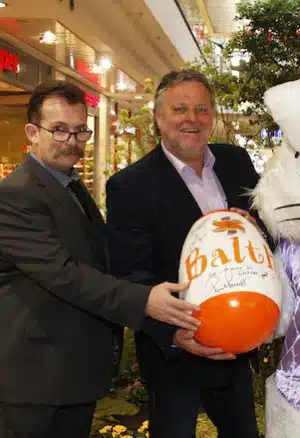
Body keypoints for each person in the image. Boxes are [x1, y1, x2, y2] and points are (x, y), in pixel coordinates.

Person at [0, 81, 201, 438]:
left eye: (80, 131)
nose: (71, 141)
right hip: (32, 382)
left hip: (71, 375)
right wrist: (145, 301)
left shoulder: (70, 185)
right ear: (32, 132)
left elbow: (101, 257)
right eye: (58, 130)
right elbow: (64, 274)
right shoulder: (15, 196)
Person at [106, 69, 262, 438]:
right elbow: (131, 273)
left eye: (201, 109)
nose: (192, 119)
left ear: (213, 117)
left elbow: (268, 225)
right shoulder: (130, 186)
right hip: (175, 351)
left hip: (233, 342)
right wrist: (174, 335)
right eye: (179, 109)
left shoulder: (235, 162)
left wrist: (255, 225)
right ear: (159, 118)